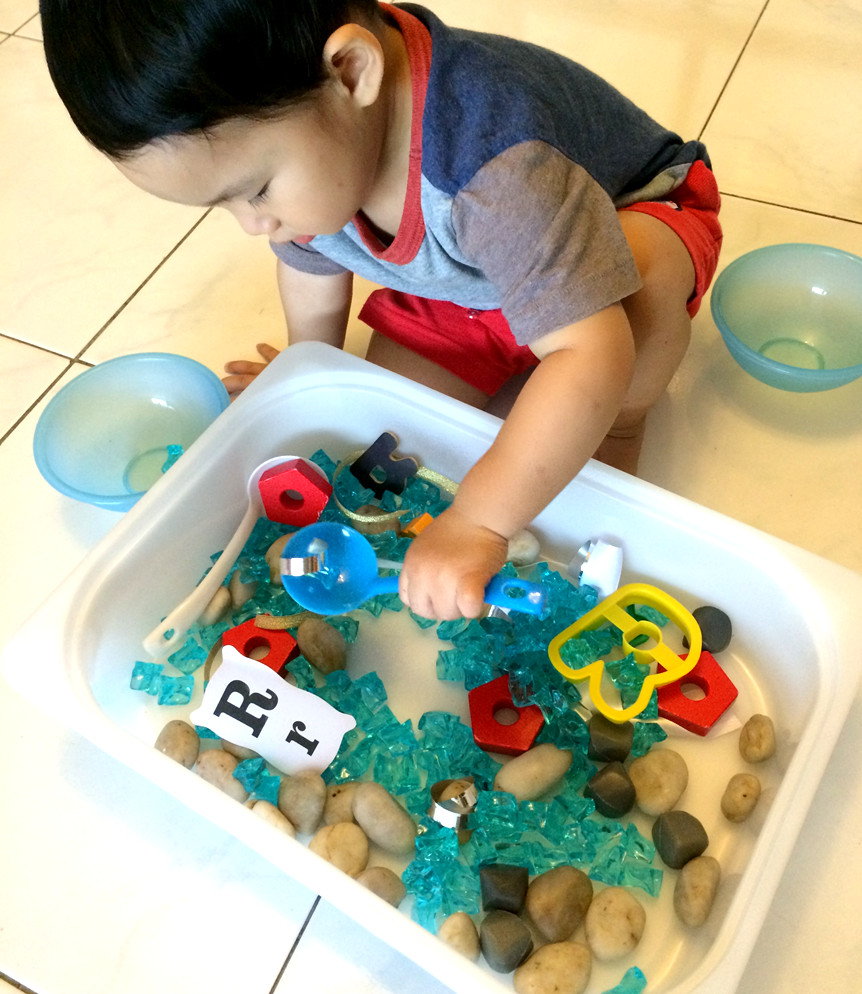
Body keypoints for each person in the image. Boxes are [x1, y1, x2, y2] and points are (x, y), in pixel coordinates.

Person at [40, 0, 722, 621]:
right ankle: (512, 331)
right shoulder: (326, 130)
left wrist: (479, 522)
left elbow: (592, 350)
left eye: (254, 190)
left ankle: (624, 422)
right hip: (478, 274)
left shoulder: (496, 166)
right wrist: (311, 369)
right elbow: (310, 260)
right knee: (388, 431)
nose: (253, 224)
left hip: (632, 218)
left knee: (629, 299)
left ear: (351, 70)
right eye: (223, 204)